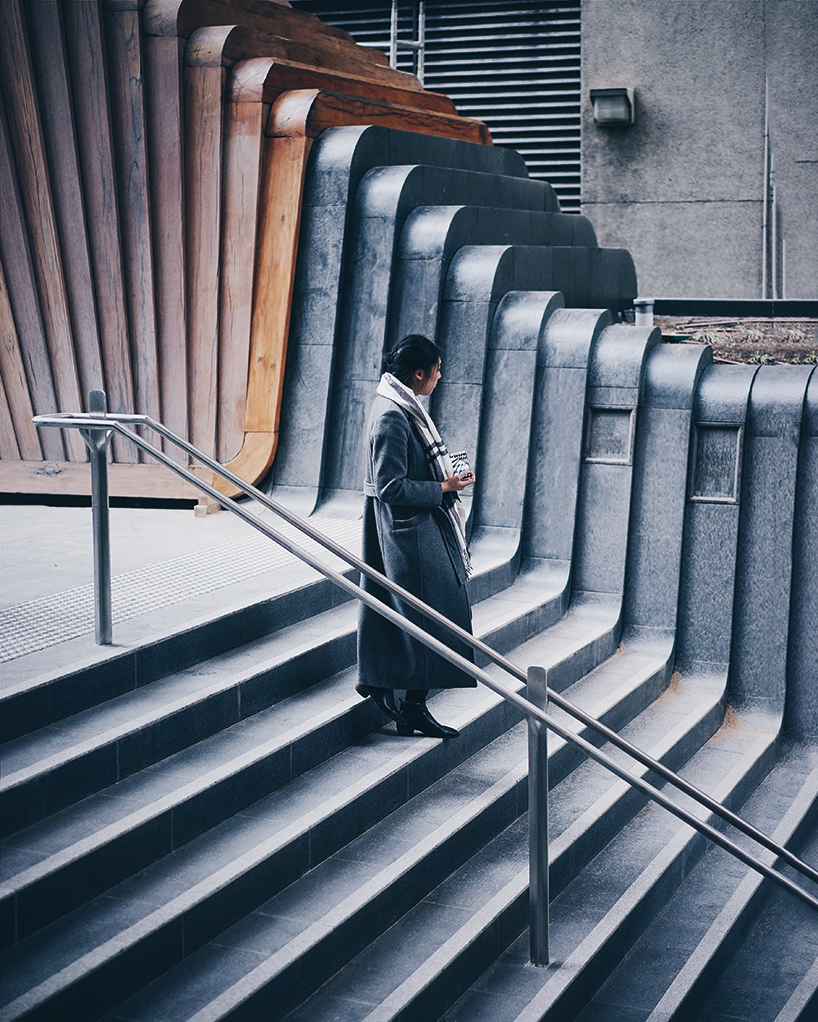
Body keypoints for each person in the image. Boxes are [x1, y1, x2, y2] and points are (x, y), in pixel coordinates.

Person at [356, 334, 476, 738]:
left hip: (412, 528)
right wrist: (443, 489)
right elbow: (390, 486)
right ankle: (408, 703)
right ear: (420, 373)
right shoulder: (393, 413)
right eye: (437, 369)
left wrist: (445, 480)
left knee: (413, 615)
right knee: (432, 616)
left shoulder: (398, 404)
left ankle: (401, 699)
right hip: (408, 532)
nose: (440, 377)